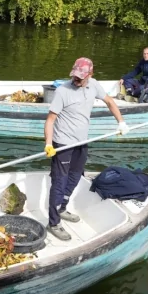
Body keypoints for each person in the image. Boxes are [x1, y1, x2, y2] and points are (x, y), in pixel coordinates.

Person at [44, 57, 130, 242]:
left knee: (75, 177)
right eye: (74, 76)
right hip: (63, 144)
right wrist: (49, 143)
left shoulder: (94, 85)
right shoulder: (63, 91)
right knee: (59, 182)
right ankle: (53, 223)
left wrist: (121, 122)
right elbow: (50, 120)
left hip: (81, 142)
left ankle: (62, 208)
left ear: (90, 75)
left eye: (80, 77)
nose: (76, 79)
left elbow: (110, 102)